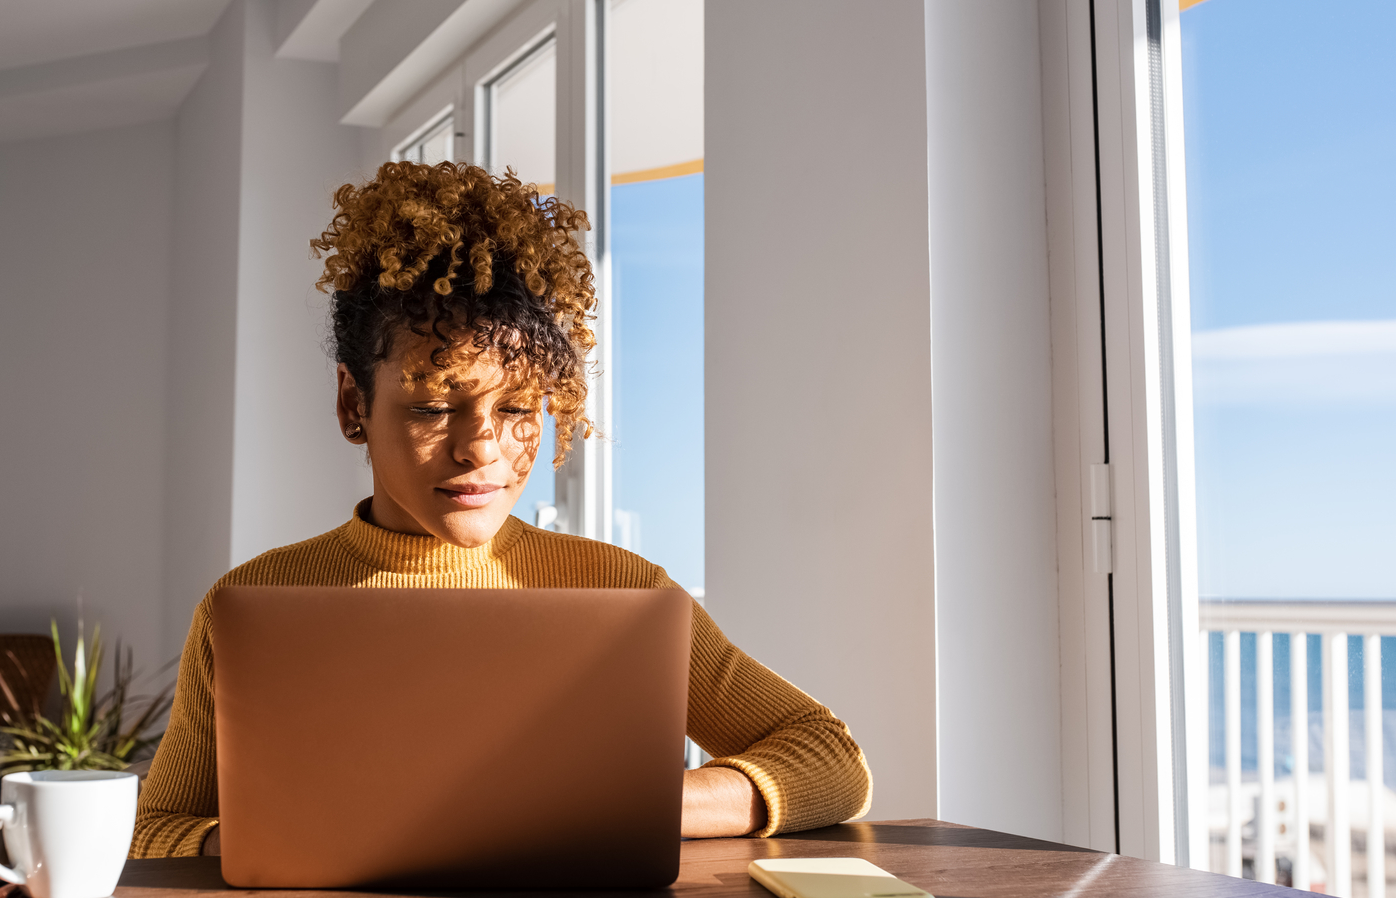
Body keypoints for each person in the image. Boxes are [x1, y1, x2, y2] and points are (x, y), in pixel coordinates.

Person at [131, 160, 871, 859]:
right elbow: (153, 830)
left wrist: (612, 808)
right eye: (430, 407)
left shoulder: (618, 591)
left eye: (518, 405)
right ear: (353, 403)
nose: (480, 447)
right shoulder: (252, 605)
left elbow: (831, 758)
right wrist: (307, 833)